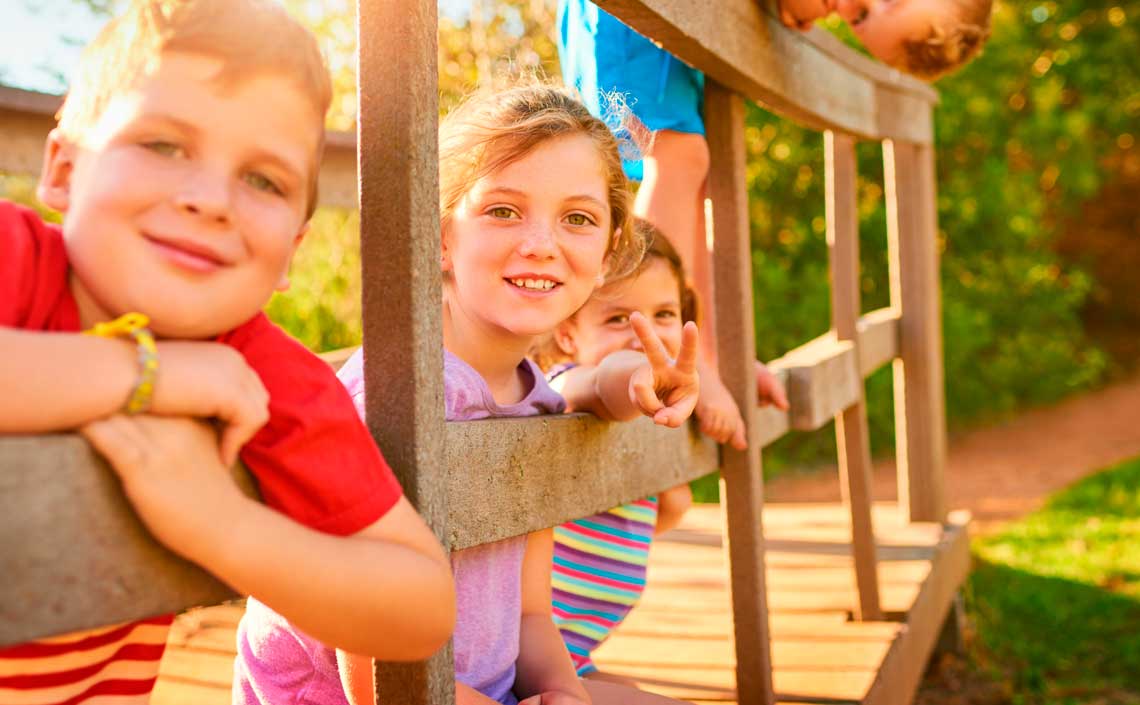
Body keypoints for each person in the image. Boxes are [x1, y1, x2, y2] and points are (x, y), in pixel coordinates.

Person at [0, 2, 454, 703]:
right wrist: (149, 373)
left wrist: (221, 525)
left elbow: (421, 608)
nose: (212, 200)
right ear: (63, 169)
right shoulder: (14, 258)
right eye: (162, 145)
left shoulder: (261, 374)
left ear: (291, 253)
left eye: (264, 180)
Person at [251, 84, 696, 705]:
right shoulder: (395, 396)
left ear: (607, 255)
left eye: (578, 219)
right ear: (440, 235)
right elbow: (374, 672)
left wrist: (562, 692)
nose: (540, 243)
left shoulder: (537, 401)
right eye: (503, 210)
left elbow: (532, 615)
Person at [534, 219, 748, 677]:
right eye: (617, 319)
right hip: (523, 656)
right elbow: (598, 386)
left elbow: (666, 509)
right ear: (568, 334)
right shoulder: (560, 387)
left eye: (664, 315)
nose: (643, 334)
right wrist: (637, 374)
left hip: (573, 655)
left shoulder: (651, 413)